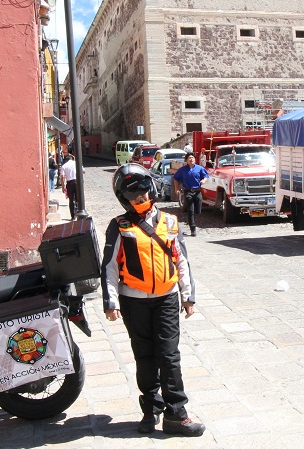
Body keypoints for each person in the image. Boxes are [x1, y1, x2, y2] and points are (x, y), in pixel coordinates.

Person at [101, 164, 205, 437]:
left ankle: (177, 415)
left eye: (143, 191)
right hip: (133, 301)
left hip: (167, 299)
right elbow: (110, 266)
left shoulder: (170, 222)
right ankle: (150, 410)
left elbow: (181, 259)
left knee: (169, 356)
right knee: (144, 356)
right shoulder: (119, 226)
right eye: (133, 195)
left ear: (152, 188)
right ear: (124, 198)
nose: (140, 198)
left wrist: (188, 295)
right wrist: (110, 302)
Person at [172, 153, 209, 236]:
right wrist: (176, 188)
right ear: (186, 160)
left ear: (195, 159)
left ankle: (193, 221)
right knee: (190, 210)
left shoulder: (199, 168)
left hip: (198, 191)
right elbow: (175, 179)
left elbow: (206, 176)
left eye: (192, 158)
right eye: (189, 158)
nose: (191, 159)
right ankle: (193, 228)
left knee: (198, 210)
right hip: (188, 191)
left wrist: (204, 180)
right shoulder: (182, 170)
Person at [59, 154, 78, 219]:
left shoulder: (64, 166)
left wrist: (63, 187)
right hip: (77, 182)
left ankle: (73, 216)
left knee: (71, 199)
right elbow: (83, 171)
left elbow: (62, 177)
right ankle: (78, 211)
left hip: (70, 183)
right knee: (78, 198)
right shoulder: (76, 163)